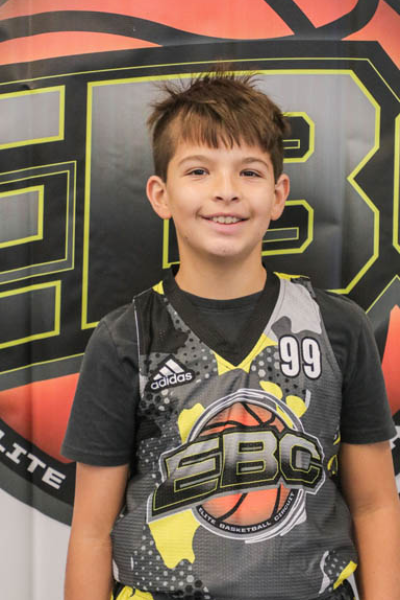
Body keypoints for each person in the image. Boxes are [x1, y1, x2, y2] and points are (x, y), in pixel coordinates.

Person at [62, 70, 400, 600]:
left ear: (278, 194)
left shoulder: (336, 326)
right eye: (199, 170)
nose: (225, 191)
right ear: (161, 194)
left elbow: (375, 504)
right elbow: (91, 530)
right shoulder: (126, 338)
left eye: (249, 171)